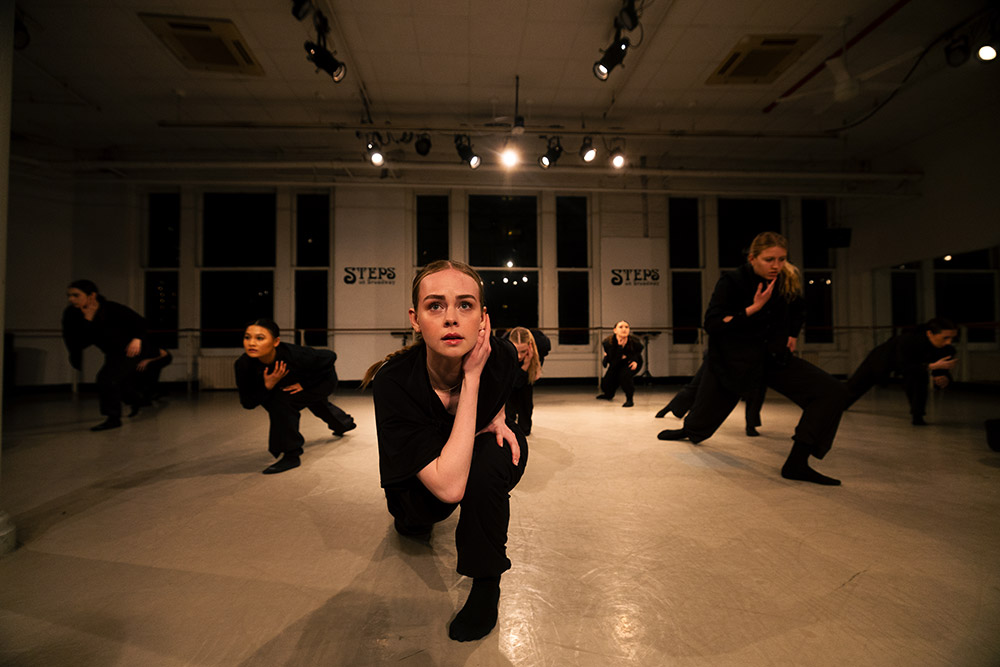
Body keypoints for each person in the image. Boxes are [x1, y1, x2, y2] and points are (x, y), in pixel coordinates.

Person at [364, 260, 527, 642]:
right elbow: (449, 488)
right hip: (421, 491)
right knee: (418, 518)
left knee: (491, 458)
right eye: (435, 305)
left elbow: (507, 383)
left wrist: (500, 415)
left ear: (483, 318)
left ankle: (486, 584)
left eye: (465, 305)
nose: (451, 318)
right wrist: (471, 379)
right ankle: (411, 524)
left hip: (465, 458)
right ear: (415, 319)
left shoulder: (499, 354)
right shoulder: (394, 383)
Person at [657, 232, 848, 486]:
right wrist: (752, 309)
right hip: (733, 360)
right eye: (769, 259)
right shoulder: (732, 281)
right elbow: (712, 324)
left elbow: (798, 308)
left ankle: (797, 462)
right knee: (706, 411)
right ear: (752, 258)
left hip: (773, 358)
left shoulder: (785, 281)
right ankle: (690, 431)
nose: (776, 265)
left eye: (781, 259)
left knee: (832, 392)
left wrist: (792, 333)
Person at [234, 319, 355, 475]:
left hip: (321, 381)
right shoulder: (243, 365)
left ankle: (292, 455)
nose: (251, 343)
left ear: (276, 341)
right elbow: (248, 402)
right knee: (314, 403)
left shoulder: (295, 354)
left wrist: (305, 384)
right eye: (247, 337)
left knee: (283, 402)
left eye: (259, 338)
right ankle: (344, 424)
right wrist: (267, 385)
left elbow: (330, 356)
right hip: (289, 384)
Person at [61, 279, 155, 431]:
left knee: (106, 378)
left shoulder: (111, 308)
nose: (71, 299)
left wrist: (137, 339)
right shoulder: (72, 314)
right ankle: (137, 400)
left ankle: (113, 418)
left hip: (134, 348)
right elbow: (80, 341)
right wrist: (88, 320)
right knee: (119, 382)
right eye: (69, 295)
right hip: (113, 352)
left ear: (91, 296)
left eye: (76, 295)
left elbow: (140, 322)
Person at [845, 317, 958, 425]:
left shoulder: (947, 349)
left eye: (952, 338)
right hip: (882, 359)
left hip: (913, 364)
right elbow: (905, 365)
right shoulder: (908, 340)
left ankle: (917, 415)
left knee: (919, 378)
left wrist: (942, 377)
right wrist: (932, 366)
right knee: (856, 385)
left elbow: (939, 368)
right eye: (945, 338)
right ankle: (838, 405)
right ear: (929, 334)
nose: (949, 342)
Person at [655, 361, 769, 436]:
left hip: (756, 349)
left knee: (756, 389)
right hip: (723, 350)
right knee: (698, 386)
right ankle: (684, 421)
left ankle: (751, 424)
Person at [505, 326, 544, 436]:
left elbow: (535, 377)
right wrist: (525, 365)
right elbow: (512, 384)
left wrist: (528, 363)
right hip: (509, 385)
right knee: (509, 422)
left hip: (525, 379)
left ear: (530, 346)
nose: (519, 356)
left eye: (523, 351)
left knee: (525, 429)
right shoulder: (503, 350)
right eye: (516, 351)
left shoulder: (540, 346)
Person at [596, 320, 644, 407]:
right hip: (615, 362)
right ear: (615, 330)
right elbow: (613, 360)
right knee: (607, 382)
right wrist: (619, 347)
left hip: (631, 362)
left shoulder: (635, 341)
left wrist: (635, 361)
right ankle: (609, 395)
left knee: (624, 376)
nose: (624, 329)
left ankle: (629, 399)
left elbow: (637, 353)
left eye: (626, 327)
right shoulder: (607, 342)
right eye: (621, 327)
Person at [132, 346, 174, 414]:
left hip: (162, 357)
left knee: (151, 370)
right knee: (142, 370)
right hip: (150, 357)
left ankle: (152, 394)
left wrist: (148, 361)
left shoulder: (148, 346)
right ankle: (153, 393)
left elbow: (164, 354)